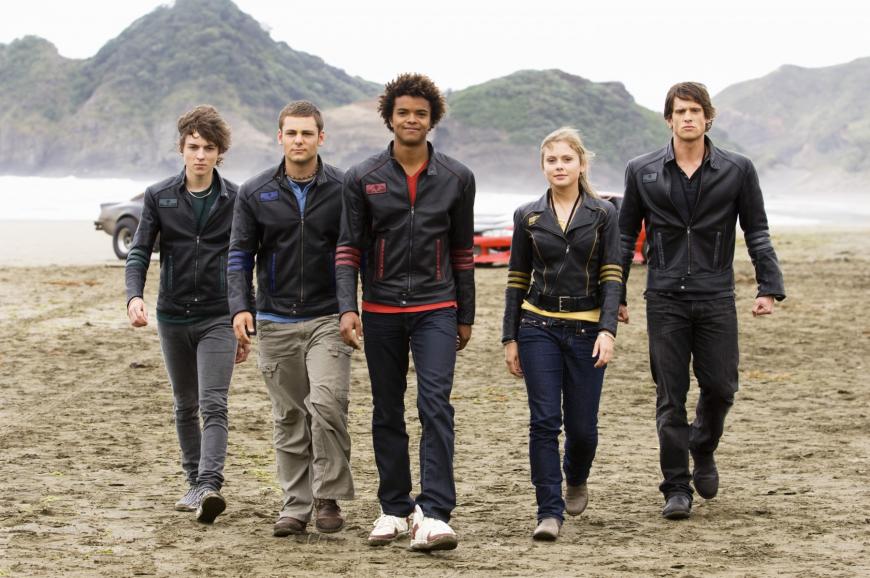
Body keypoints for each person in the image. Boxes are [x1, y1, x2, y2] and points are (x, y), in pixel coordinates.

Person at [618, 82, 786, 520]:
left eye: (695, 110)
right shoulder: (642, 169)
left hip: (716, 296)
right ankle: (676, 487)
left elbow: (756, 229)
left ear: (708, 118)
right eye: (680, 111)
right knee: (670, 396)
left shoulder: (737, 169)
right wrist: (615, 294)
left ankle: (703, 445)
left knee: (721, 387)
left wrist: (768, 286)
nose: (688, 117)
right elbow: (623, 236)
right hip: (664, 298)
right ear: (669, 119)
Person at [335, 73, 475, 551]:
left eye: (420, 113)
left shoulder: (457, 177)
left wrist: (466, 314)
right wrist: (347, 308)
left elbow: (462, 252)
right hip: (380, 308)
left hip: (437, 306)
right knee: (387, 409)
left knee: (435, 405)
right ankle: (394, 509)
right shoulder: (362, 177)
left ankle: (434, 513)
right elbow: (348, 248)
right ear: (389, 118)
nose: (411, 119)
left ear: (432, 120)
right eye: (403, 112)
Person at [227, 101, 354, 536]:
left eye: (307, 133)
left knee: (327, 404)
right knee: (289, 416)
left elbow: (353, 252)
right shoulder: (254, 191)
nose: (299, 140)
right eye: (292, 133)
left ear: (321, 138)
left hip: (328, 317)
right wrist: (240, 306)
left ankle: (328, 496)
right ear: (279, 137)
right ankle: (296, 506)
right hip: (274, 318)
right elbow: (240, 254)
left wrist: (351, 307)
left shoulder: (344, 188)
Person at [125, 105, 245, 524]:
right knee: (184, 405)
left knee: (214, 403)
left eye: (209, 148)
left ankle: (210, 485)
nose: (200, 155)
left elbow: (246, 260)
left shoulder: (236, 198)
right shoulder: (159, 195)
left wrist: (244, 316)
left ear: (219, 152)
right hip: (173, 316)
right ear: (182, 148)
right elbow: (139, 251)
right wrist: (133, 296)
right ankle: (194, 482)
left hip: (218, 316)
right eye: (194, 147)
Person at [501, 127, 621, 540]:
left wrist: (607, 330)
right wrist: (510, 337)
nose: (559, 166)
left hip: (587, 330)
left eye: (566, 159)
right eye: (551, 160)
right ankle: (548, 513)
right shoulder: (528, 216)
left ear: (581, 164)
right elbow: (517, 278)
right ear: (542, 166)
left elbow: (612, 275)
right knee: (544, 422)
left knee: (583, 429)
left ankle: (577, 476)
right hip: (538, 327)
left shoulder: (604, 213)